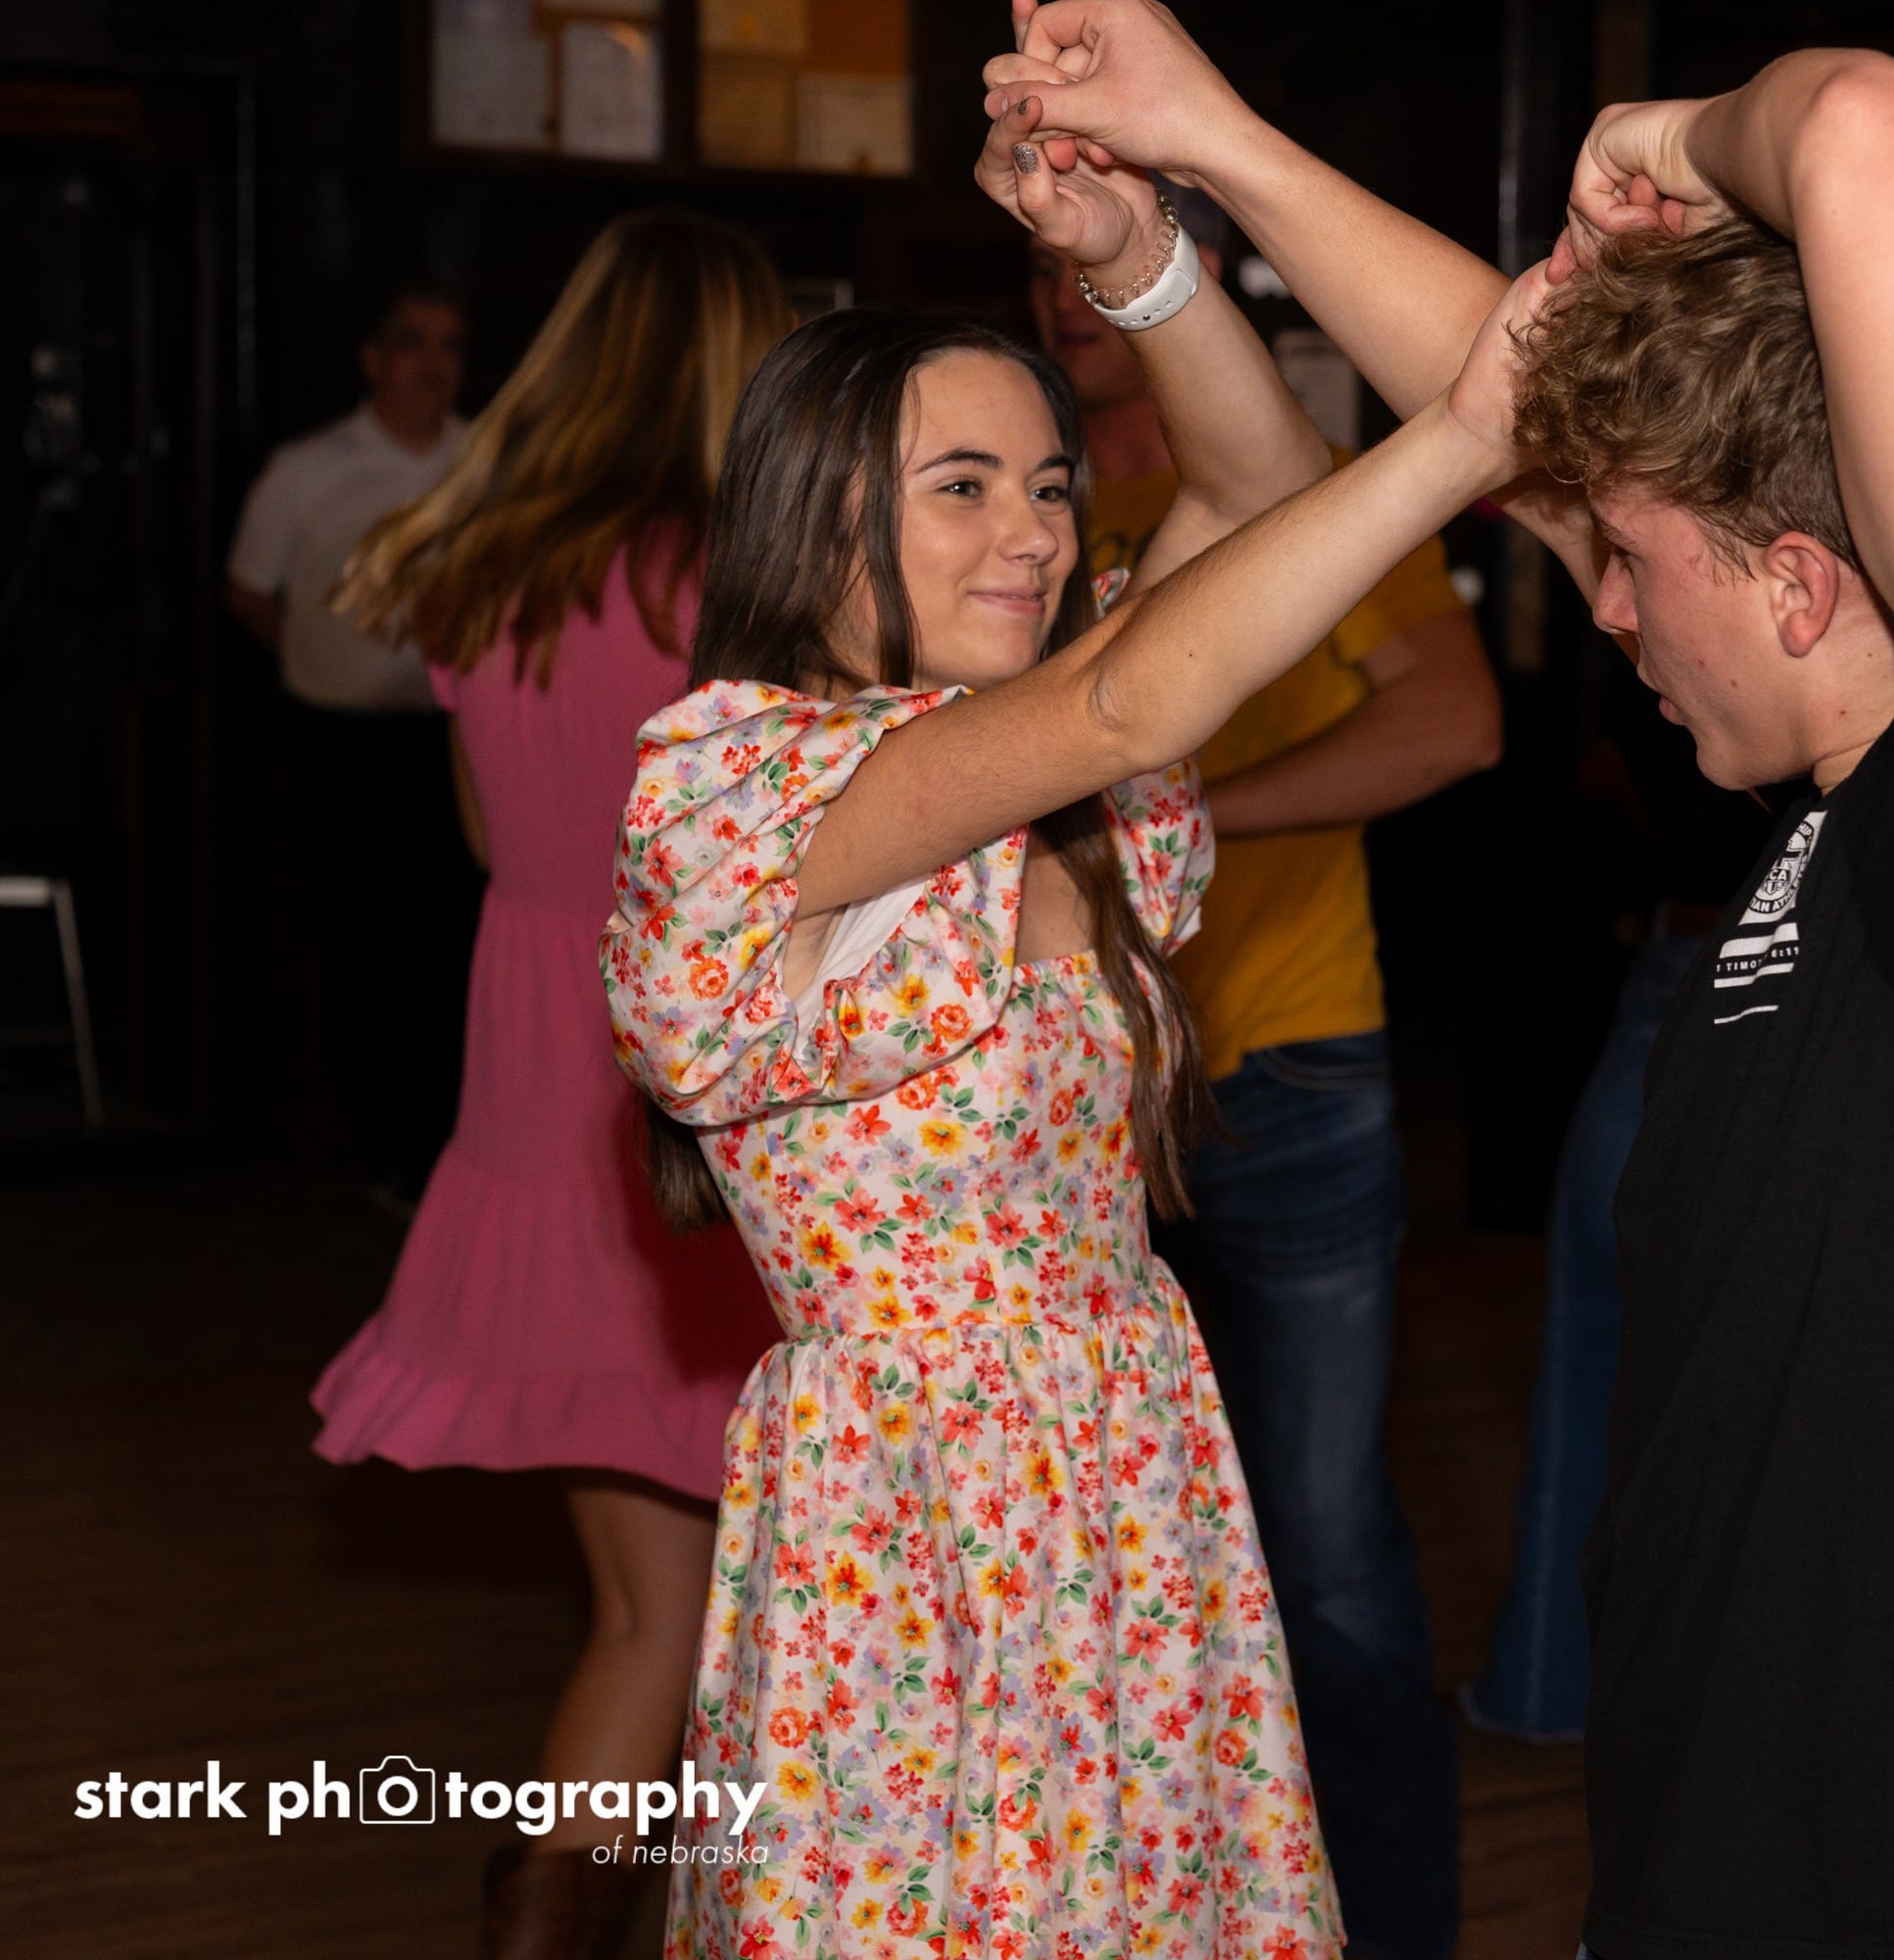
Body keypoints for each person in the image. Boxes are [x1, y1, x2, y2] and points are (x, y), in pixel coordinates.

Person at [987, 11, 1894, 1954]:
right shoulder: (1851, 818)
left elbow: (1865, 125)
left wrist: (1660, 136)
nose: (1601, 601)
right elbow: (1499, 399)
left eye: (1634, 563)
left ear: (1802, 584)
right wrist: (1208, 143)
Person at [601, 107, 1549, 1953]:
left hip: (1125, 1462)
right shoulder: (742, 791)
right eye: (962, 486)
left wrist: (1140, 256)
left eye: (1049, 485)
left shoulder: (1066, 782)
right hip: (916, 1519)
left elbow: (1256, 485)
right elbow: (1130, 702)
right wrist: (1462, 435)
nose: (1034, 533)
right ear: (816, 511)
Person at [1025, 188, 1500, 1960]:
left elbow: (1455, 722)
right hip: (1073, 1108)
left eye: (1101, 268)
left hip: (1289, 1066)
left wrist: (1178, 811)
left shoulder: (1307, 489)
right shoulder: (1024, 529)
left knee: (1324, 1547)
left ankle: (1397, 1935)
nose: (1067, 300)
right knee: (1104, 1557)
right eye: (1046, 271)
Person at [316, 211, 796, 1956]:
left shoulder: (497, 579)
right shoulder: (752, 596)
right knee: (774, 1631)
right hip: (711, 1146)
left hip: (544, 1131)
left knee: (643, 1619)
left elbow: (493, 843)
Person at [1465, 662, 1778, 1744]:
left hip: (1691, 966)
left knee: (1596, 1356)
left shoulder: (1667, 633)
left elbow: (1611, 770)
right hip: (1791, 973)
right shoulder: (1855, 628)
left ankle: (1547, 1684)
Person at [226, 282, 479, 1200]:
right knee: (366, 947)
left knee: (456, 947)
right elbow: (249, 591)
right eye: (412, 341)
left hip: (454, 742)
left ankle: (450, 1155)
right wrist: (319, 661)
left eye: (448, 344)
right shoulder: (307, 467)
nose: (432, 362)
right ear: (373, 360)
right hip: (340, 743)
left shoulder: (488, 461)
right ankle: (382, 1157)